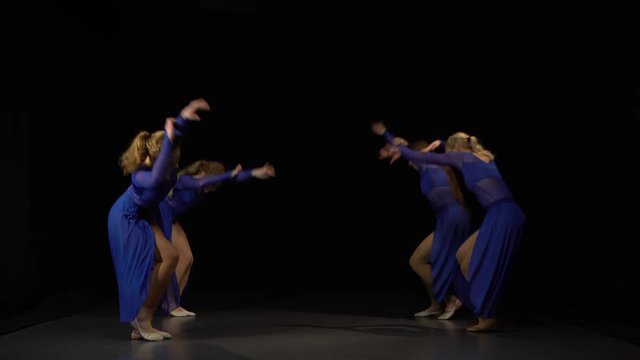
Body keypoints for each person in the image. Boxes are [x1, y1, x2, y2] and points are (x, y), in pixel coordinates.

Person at [380, 127, 526, 332]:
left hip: (501, 214)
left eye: (449, 150)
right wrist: (440, 142)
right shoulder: (483, 157)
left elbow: (416, 155)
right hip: (503, 212)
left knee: (475, 265)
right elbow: (449, 148)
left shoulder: (462, 159)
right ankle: (474, 308)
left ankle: (486, 317)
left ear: (456, 149)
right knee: (462, 258)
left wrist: (391, 141)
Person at [107, 98, 210, 341]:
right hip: (126, 217)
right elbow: (157, 178)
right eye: (170, 159)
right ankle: (142, 319)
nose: (175, 165)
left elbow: (171, 141)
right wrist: (171, 138)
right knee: (164, 259)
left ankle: (142, 318)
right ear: (159, 158)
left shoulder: (167, 163)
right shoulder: (143, 175)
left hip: (145, 215)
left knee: (171, 256)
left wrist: (183, 118)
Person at [372, 123, 472, 320]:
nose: (409, 163)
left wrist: (385, 133)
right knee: (417, 260)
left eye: (411, 159)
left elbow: (407, 150)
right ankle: (437, 304)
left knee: (435, 261)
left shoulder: (428, 164)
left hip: (452, 218)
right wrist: (399, 148)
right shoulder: (430, 167)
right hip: (448, 218)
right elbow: (407, 151)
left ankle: (452, 299)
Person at [158, 160, 276, 317]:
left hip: (172, 219)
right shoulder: (186, 180)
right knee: (170, 258)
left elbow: (232, 179)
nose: (213, 190)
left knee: (187, 258)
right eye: (214, 184)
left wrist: (256, 172)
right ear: (206, 174)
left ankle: (172, 303)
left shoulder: (205, 182)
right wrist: (229, 173)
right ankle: (166, 303)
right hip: (160, 217)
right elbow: (202, 182)